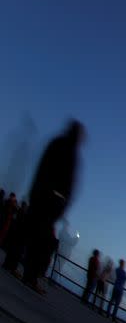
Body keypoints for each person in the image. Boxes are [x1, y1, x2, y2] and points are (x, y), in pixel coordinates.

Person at [22, 120, 85, 292]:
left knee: (38, 238)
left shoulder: (57, 143)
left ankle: (29, 272)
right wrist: (62, 203)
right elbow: (68, 182)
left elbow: (42, 168)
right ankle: (32, 275)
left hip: (42, 196)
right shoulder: (69, 150)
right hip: (51, 200)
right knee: (44, 241)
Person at [2, 201, 28, 273]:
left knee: (11, 251)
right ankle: (12, 267)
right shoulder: (23, 215)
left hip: (15, 235)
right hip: (19, 237)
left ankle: (6, 264)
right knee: (15, 253)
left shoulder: (19, 212)